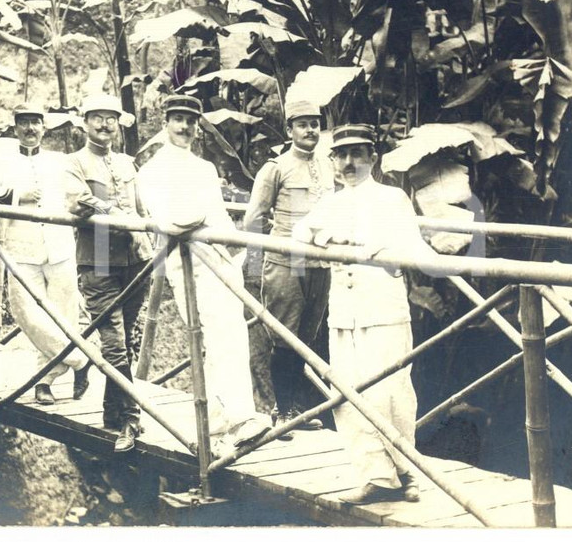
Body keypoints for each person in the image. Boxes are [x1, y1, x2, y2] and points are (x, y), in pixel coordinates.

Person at [292, 123, 437, 505]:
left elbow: (409, 245)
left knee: (392, 393)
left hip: (382, 307)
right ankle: (376, 476)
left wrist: (365, 247)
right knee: (348, 394)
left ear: (373, 158)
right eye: (341, 155)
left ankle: (408, 472)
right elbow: (300, 232)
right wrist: (328, 239)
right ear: (334, 162)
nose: (349, 162)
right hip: (344, 312)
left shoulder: (392, 199)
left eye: (358, 153)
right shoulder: (331, 202)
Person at [136, 94, 271, 452]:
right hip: (189, 263)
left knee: (229, 337)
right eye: (177, 119)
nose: (184, 127)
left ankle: (222, 416)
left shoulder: (205, 168)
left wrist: (231, 245)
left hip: (219, 261)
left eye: (191, 121)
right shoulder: (152, 171)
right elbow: (172, 220)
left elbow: (217, 216)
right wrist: (203, 220)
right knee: (219, 335)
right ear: (165, 123)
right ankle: (240, 417)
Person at [0, 101, 90, 405]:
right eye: (23, 122)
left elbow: (80, 196)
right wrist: (15, 195)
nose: (30, 128)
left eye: (35, 122)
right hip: (20, 249)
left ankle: (45, 382)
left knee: (63, 316)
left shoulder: (59, 161)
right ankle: (81, 360)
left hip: (60, 247)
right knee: (25, 311)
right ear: (15, 127)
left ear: (44, 127)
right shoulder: (0, 159)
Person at [65, 93, 153, 453]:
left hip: (134, 261)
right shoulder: (75, 163)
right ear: (84, 123)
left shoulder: (129, 164)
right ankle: (131, 417)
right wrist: (121, 219)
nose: (104, 125)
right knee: (115, 345)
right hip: (98, 259)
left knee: (126, 339)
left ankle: (110, 413)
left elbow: (142, 207)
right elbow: (77, 202)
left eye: (111, 119)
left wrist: (144, 236)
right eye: (97, 118)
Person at [242, 100, 333, 434]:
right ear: (289, 130)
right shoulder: (275, 168)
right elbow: (253, 218)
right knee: (284, 337)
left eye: (315, 124)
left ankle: (295, 409)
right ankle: (280, 412)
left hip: (320, 263)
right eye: (303, 124)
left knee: (307, 339)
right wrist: (255, 265)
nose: (311, 130)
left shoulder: (328, 166)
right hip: (284, 262)